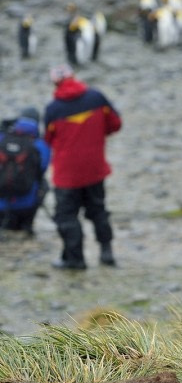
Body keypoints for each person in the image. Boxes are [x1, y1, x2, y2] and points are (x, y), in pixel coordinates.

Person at [44, 64, 122, 269]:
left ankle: (75, 259)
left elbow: (49, 139)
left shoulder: (53, 109)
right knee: (98, 210)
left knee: (67, 215)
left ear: (55, 83)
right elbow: (115, 123)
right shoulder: (96, 98)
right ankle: (107, 252)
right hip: (95, 168)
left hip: (67, 175)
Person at [0, 107, 50, 234]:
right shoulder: (41, 145)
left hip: (1, 205)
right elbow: (42, 169)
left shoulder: (2, 138)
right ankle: (27, 227)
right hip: (25, 207)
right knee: (43, 183)